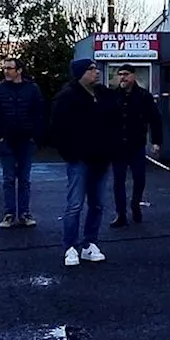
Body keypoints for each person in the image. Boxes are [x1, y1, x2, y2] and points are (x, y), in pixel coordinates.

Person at [49, 57, 115, 267]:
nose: (96, 72)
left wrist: (111, 148)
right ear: (80, 73)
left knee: (97, 204)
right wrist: (70, 154)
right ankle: (70, 247)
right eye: (91, 69)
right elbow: (57, 129)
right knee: (75, 204)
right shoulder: (66, 97)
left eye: (96, 68)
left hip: (101, 159)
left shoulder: (104, 95)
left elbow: (114, 121)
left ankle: (90, 244)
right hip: (79, 159)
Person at [0, 57, 45, 229]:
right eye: (4, 68)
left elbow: (39, 113)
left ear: (19, 70)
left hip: (26, 140)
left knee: (24, 179)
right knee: (9, 179)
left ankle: (24, 213)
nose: (6, 71)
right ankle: (9, 213)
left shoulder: (32, 89)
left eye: (9, 68)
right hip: (7, 141)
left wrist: (35, 136)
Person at [110, 64, 162, 228]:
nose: (123, 77)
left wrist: (156, 141)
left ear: (133, 76)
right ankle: (121, 214)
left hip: (136, 145)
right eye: (120, 74)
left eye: (126, 74)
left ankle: (135, 204)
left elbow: (155, 119)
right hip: (118, 146)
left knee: (139, 179)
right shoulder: (113, 96)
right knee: (118, 181)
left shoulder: (143, 96)